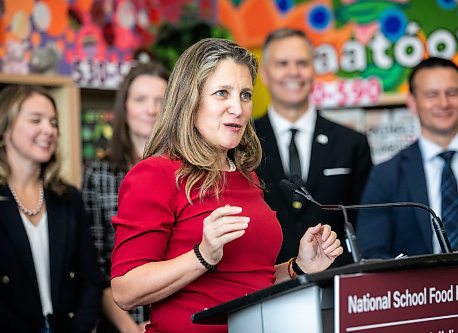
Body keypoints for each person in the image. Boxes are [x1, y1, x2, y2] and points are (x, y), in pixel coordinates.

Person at [110, 38, 344, 333]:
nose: (238, 108)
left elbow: (248, 280)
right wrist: (201, 256)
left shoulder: (246, 175)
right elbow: (125, 290)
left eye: (245, 95)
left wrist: (297, 267)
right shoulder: (155, 174)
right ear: (189, 100)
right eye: (222, 93)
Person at [357, 57, 458, 261]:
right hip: (415, 291)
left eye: (451, 92)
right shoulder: (386, 175)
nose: (443, 103)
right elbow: (371, 252)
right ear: (412, 103)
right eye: (432, 94)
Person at [254, 28, 372, 266]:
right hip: (264, 287)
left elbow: (366, 222)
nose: (293, 72)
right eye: (282, 63)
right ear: (265, 73)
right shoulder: (243, 142)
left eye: (302, 63)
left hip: (338, 283)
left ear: (314, 69)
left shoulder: (351, 143)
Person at [0, 85, 101, 332]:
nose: (49, 130)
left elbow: (90, 280)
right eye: (36, 120)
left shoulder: (68, 198)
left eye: (53, 123)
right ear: (5, 129)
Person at [82, 61, 169, 333]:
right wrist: (130, 329)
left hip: (178, 315)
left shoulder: (186, 171)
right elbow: (95, 267)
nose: (151, 109)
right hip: (120, 320)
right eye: (140, 99)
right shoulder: (99, 174)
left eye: (160, 100)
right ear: (125, 107)